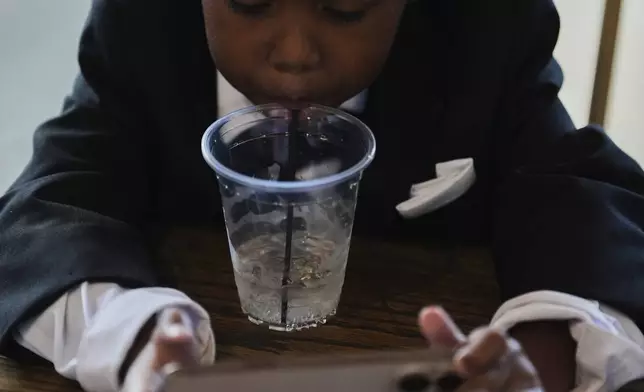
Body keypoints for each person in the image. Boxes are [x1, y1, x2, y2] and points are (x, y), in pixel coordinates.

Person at [1, 0, 644, 391]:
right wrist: (130, 339)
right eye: (251, 2)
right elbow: (49, 204)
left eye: (344, 10)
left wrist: (543, 355)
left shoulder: (486, 28)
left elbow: (576, 192)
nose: (295, 54)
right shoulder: (142, 23)